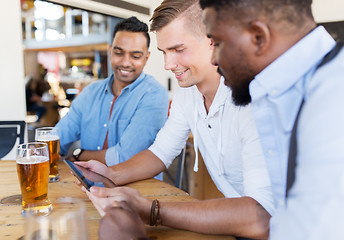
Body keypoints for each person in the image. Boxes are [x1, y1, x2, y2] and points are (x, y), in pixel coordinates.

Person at [77, 1, 274, 239]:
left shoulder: (253, 97)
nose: (168, 65)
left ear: (213, 40)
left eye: (178, 50)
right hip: (239, 227)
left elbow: (260, 217)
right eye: (164, 52)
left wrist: (152, 211)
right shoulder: (188, 96)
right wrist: (110, 174)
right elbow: (160, 153)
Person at [199, 0, 344, 239]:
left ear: (258, 37)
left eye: (219, 42)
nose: (214, 59)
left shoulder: (334, 98)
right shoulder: (280, 92)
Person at [55, 17, 169, 171]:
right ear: (110, 51)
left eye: (135, 56)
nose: (125, 62)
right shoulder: (90, 92)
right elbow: (59, 137)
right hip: (87, 187)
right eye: (118, 53)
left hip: (138, 191)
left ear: (146, 58)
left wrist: (78, 154)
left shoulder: (154, 94)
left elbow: (125, 157)